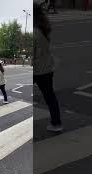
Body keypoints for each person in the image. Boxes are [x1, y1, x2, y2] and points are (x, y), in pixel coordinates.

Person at [35, 4, 62, 132]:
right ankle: (56, 123)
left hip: (38, 70)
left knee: (48, 96)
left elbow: (34, 55)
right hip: (47, 68)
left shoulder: (35, 32)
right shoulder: (43, 28)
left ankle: (56, 123)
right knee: (50, 96)